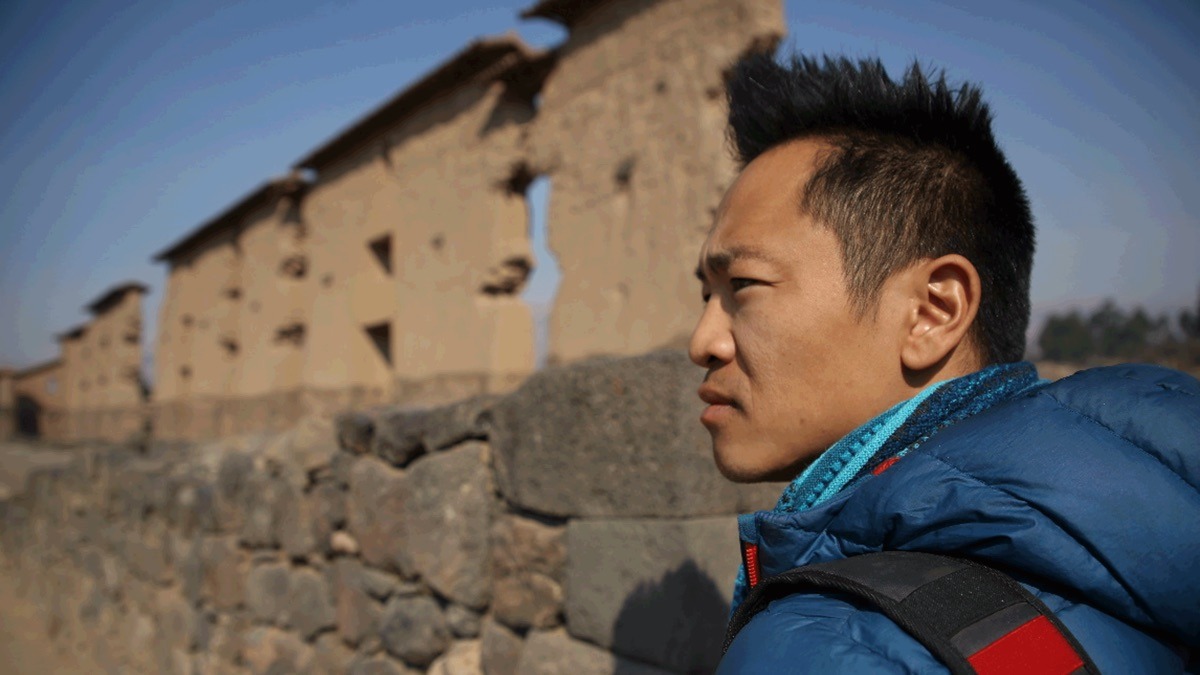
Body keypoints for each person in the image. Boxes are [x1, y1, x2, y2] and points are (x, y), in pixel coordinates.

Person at [690, 53, 1200, 673]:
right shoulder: (1153, 542)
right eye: (704, 296)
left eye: (742, 284)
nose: (704, 341)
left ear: (932, 311)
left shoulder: (828, 643)